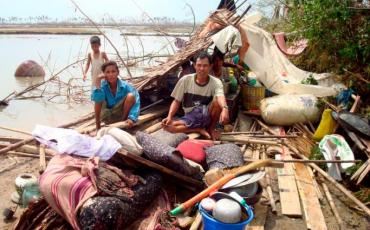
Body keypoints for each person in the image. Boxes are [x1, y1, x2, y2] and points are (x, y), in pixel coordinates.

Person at [162, 51, 229, 140]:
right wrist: (169, 116)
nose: (201, 68)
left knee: (217, 102)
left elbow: (220, 96)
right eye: (199, 65)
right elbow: (176, 101)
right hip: (191, 116)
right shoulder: (185, 80)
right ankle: (198, 129)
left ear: (210, 66)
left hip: (207, 115)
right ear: (194, 65)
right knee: (167, 127)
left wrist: (225, 108)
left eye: (205, 65)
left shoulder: (216, 82)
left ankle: (212, 128)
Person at [91, 61, 140, 130]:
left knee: (131, 96)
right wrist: (97, 80)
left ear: (118, 72)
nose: (111, 74)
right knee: (98, 96)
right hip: (106, 115)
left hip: (120, 115)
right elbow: (96, 99)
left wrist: (131, 117)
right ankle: (98, 127)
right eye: (107, 72)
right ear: (104, 74)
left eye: (113, 71)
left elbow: (137, 99)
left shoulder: (125, 86)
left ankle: (123, 122)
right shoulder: (102, 86)